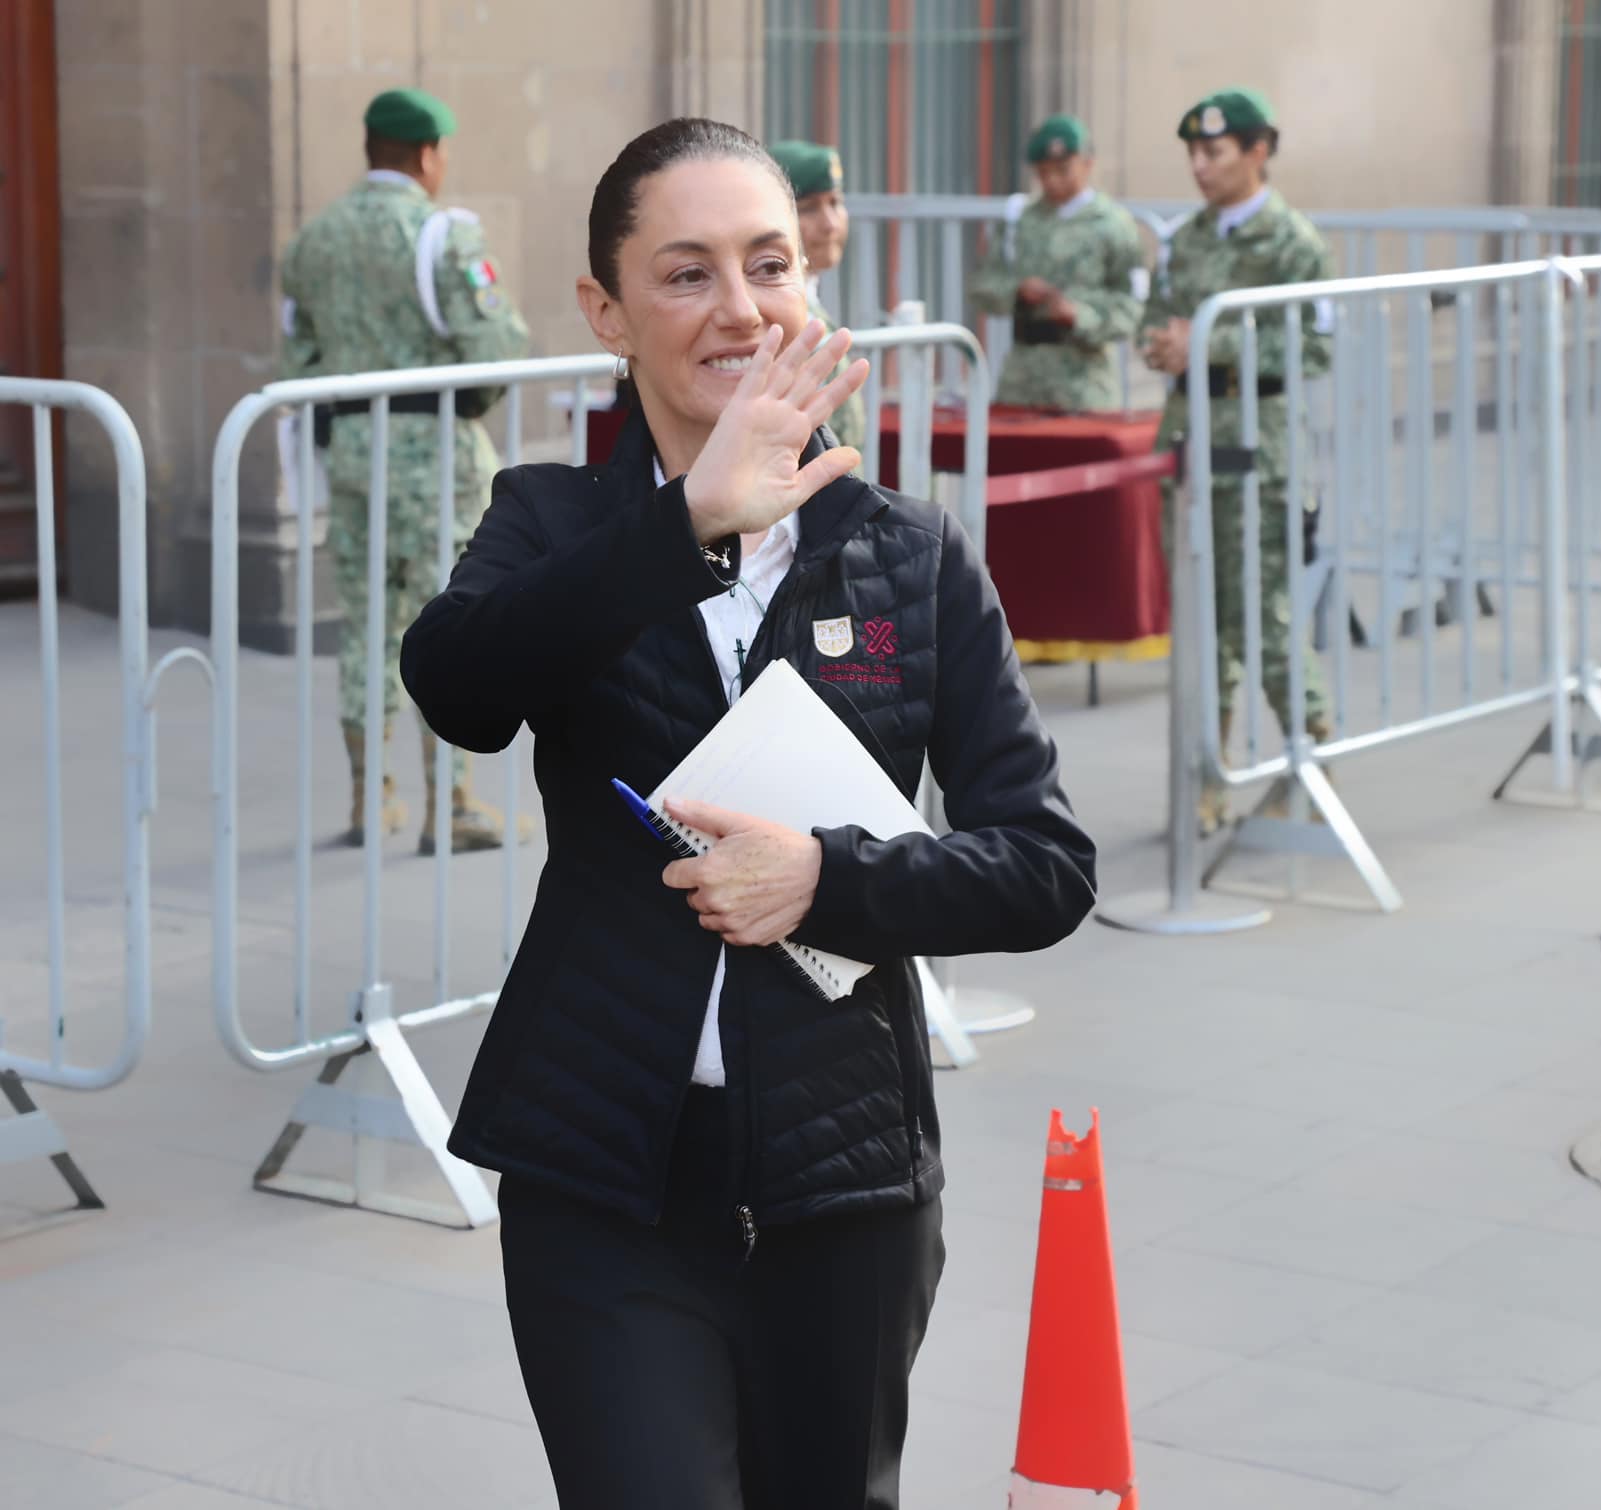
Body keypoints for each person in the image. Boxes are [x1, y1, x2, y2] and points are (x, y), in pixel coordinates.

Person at [399, 117, 1096, 1509]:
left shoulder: (909, 553)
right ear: (606, 311)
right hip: (603, 1173)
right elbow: (458, 686)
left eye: (769, 264)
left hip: (845, 1183)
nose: (740, 307)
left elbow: (1044, 864)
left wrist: (826, 879)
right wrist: (681, 527)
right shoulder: (551, 521)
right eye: (686, 272)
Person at [280, 87, 531, 853]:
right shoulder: (442, 235)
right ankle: (450, 805)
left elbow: (298, 357)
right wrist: (468, 401)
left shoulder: (313, 241)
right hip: (436, 454)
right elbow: (498, 346)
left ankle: (370, 798)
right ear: (427, 154)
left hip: (354, 453)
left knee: (364, 625)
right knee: (448, 625)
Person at [1139, 87, 1334, 834]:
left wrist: (1209, 341)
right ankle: (1207, 778)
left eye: (1214, 151)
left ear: (1258, 151)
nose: (1199, 165)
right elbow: (1154, 317)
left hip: (1260, 447)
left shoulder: (1293, 242)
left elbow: (1314, 344)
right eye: (1193, 151)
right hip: (1191, 441)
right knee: (1198, 620)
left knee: (1263, 612)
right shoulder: (1186, 240)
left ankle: (1311, 757)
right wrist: (1162, 343)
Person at [968, 113, 1151, 412]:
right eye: (1044, 172)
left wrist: (1079, 315)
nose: (1053, 180)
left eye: (1063, 170)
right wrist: (1018, 291)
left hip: (1086, 381)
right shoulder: (1019, 221)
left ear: (1087, 164)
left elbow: (1132, 306)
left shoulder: (1114, 225)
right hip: (1022, 379)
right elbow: (982, 285)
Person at [768, 139, 866, 447]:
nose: (830, 224)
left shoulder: (810, 299)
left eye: (835, 203)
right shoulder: (770, 316)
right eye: (808, 209)